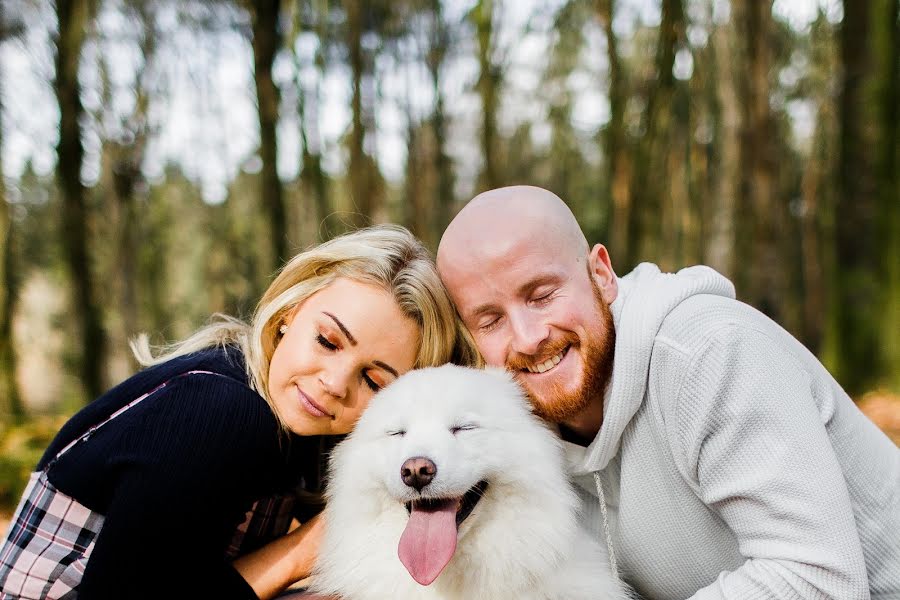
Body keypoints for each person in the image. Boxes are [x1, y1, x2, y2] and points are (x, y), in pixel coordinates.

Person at [436, 185, 900, 600]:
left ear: (601, 273)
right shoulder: (516, 433)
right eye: (490, 320)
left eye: (541, 295)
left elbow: (820, 578)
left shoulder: (708, 351)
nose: (528, 337)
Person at [0, 224, 476, 600]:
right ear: (292, 308)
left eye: (373, 381)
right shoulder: (225, 412)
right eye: (327, 340)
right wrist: (300, 551)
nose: (334, 384)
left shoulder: (294, 430)